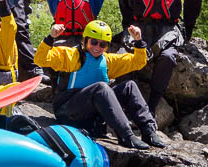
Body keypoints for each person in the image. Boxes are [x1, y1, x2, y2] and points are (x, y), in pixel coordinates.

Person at [35, 20, 164, 150]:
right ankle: (126, 135)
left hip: (91, 114)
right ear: (85, 40)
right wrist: (51, 37)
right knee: (101, 87)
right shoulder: (70, 56)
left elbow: (138, 62)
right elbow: (40, 59)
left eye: (102, 44)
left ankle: (149, 132)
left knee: (129, 86)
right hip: (67, 112)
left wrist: (138, 40)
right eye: (94, 42)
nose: (97, 47)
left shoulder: (107, 61)